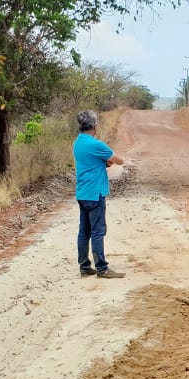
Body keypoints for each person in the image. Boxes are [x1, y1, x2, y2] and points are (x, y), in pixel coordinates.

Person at [73, 110, 125, 278]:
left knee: (84, 231)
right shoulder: (96, 144)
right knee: (98, 231)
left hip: (82, 192)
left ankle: (84, 266)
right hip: (95, 193)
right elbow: (119, 160)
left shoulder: (77, 142)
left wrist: (104, 162)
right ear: (94, 125)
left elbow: (91, 162)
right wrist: (107, 161)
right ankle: (102, 268)